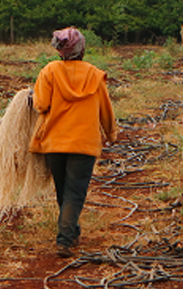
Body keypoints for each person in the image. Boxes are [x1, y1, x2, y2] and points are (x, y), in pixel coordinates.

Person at [29, 27, 117, 257]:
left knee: (63, 189)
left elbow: (40, 104)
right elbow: (105, 110)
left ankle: (70, 231)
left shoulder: (50, 71)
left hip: (54, 142)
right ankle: (65, 239)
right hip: (83, 144)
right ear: (82, 49)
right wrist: (111, 134)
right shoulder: (95, 75)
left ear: (61, 51)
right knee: (75, 192)